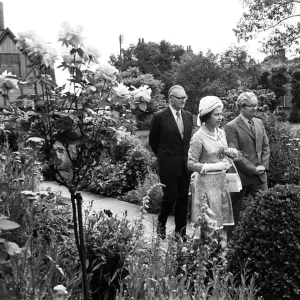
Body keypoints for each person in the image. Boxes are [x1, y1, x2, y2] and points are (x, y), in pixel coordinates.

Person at [188, 96, 237, 241]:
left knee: (221, 226)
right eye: (217, 114)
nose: (221, 117)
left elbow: (223, 152)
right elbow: (191, 164)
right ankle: (202, 257)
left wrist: (230, 154)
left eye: (221, 114)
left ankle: (220, 257)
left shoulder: (221, 132)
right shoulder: (198, 137)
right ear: (206, 116)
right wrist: (214, 166)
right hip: (205, 186)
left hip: (221, 183)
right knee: (207, 227)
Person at [149, 85, 193, 239]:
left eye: (185, 97)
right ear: (171, 98)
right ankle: (161, 223)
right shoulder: (160, 117)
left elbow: (188, 141)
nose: (183, 100)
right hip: (168, 165)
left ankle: (180, 232)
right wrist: (163, 157)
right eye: (180, 98)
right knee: (171, 196)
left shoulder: (188, 116)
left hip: (185, 165)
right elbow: (153, 141)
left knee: (183, 198)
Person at [225, 92, 270, 239]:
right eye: (252, 106)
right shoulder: (231, 127)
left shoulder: (259, 122)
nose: (255, 108)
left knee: (266, 209)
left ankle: (261, 242)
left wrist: (263, 166)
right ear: (241, 107)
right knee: (233, 214)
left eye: (256, 105)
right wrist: (253, 169)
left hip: (259, 177)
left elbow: (265, 146)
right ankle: (232, 246)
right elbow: (235, 154)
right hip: (239, 177)